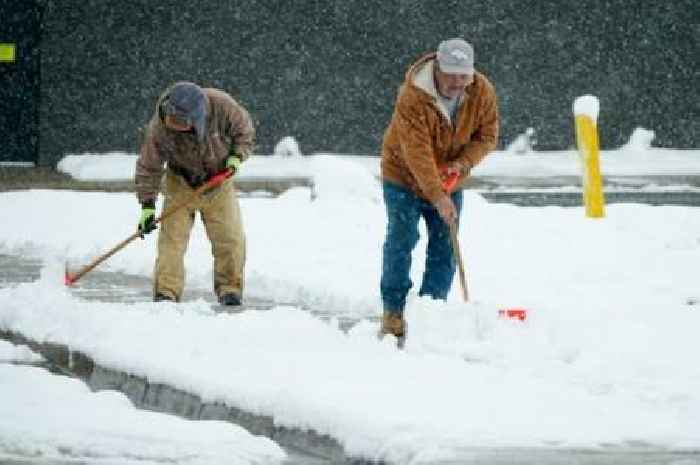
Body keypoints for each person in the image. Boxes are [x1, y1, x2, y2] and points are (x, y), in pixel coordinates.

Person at [379, 38, 499, 342]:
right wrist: (437, 196)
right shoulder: (413, 96)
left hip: (449, 177)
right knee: (402, 240)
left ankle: (431, 310)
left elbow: (487, 136)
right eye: (452, 75)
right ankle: (393, 311)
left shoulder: (481, 90)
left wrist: (462, 163)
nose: (458, 83)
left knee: (445, 245)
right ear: (438, 69)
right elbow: (416, 153)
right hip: (403, 176)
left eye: (464, 76)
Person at [135, 81, 254, 305]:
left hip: (218, 181)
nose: (174, 126)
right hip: (180, 181)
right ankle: (166, 292)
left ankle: (230, 289)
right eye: (172, 121)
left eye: (182, 123)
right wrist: (147, 206)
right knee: (172, 241)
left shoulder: (222, 106)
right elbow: (148, 166)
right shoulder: (159, 127)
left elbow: (244, 131)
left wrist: (236, 157)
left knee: (230, 239)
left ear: (198, 116)